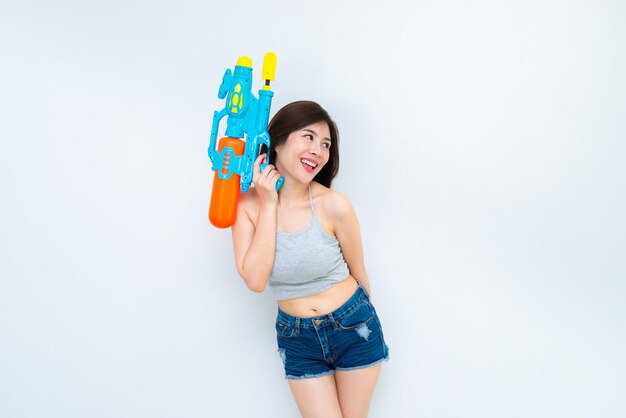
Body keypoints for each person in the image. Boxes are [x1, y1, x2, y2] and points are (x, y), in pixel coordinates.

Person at [231, 100, 389, 418]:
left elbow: (359, 273)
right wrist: (270, 203)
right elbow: (255, 280)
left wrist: (358, 320)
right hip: (296, 336)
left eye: (326, 144)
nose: (318, 150)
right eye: (309, 137)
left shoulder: (334, 205)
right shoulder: (247, 206)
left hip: (354, 325)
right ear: (277, 142)